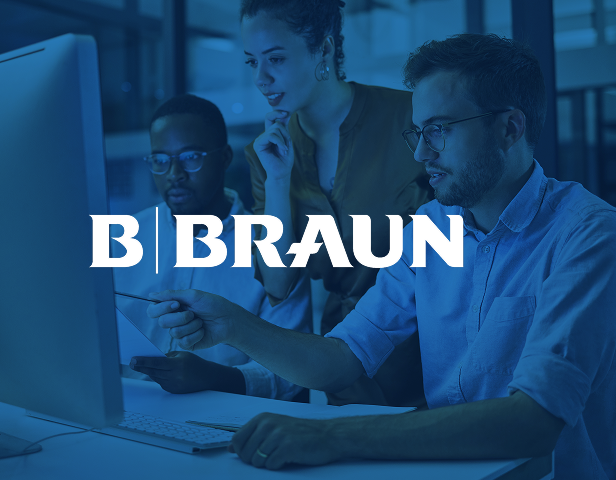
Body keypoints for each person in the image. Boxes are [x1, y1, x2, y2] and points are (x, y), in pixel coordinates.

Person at [148, 35, 616, 478]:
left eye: (439, 130)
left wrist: (333, 436)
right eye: (419, 132)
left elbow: (533, 421)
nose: (422, 153)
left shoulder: (587, 234)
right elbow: (343, 357)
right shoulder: (431, 227)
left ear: (509, 128)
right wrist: (232, 325)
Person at [240, 0, 432, 407]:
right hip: (342, 364)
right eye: (252, 62)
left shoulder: (410, 118)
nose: (261, 77)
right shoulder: (266, 154)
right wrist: (278, 180)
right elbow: (277, 283)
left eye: (275, 59)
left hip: (429, 355)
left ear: (323, 50)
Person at [113, 94, 311, 401]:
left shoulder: (275, 249)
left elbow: (295, 373)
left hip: (227, 420)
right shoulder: (121, 239)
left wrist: (216, 378)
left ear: (225, 158)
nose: (174, 174)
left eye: (191, 157)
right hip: (127, 410)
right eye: (160, 160)